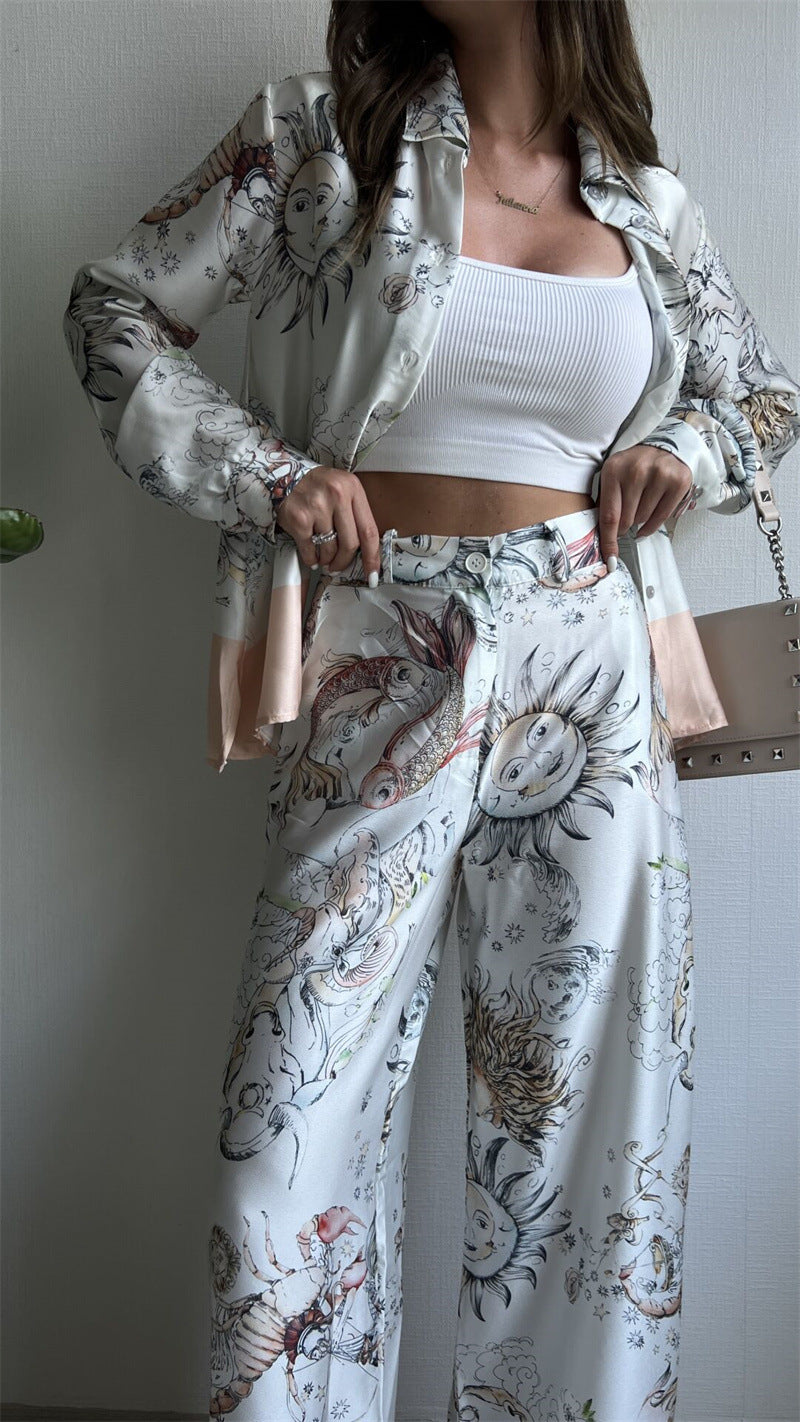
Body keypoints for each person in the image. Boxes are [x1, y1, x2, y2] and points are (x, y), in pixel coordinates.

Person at [62, 2, 800, 1419]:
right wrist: (269, 475)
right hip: (380, 644)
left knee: (583, 1125)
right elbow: (114, 309)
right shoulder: (320, 139)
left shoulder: (649, 207)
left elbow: (760, 396)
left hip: (592, 667)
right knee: (290, 1114)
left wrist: (687, 446)